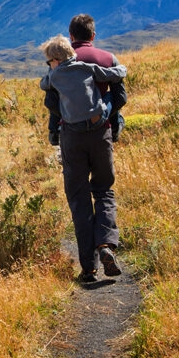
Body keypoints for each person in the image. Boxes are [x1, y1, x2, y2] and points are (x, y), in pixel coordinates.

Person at [39, 34, 127, 283]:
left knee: (79, 199)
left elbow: (47, 93)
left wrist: (48, 79)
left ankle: (89, 268)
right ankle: (106, 244)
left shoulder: (54, 76)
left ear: (55, 60)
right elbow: (113, 76)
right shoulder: (87, 67)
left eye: (49, 61)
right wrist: (122, 69)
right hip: (99, 132)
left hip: (73, 138)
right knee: (104, 190)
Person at [45, 15, 127, 145]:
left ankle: (54, 133)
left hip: (70, 128)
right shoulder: (109, 59)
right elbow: (120, 98)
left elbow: (51, 100)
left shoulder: (60, 63)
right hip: (101, 128)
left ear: (71, 36)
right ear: (93, 36)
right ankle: (115, 129)